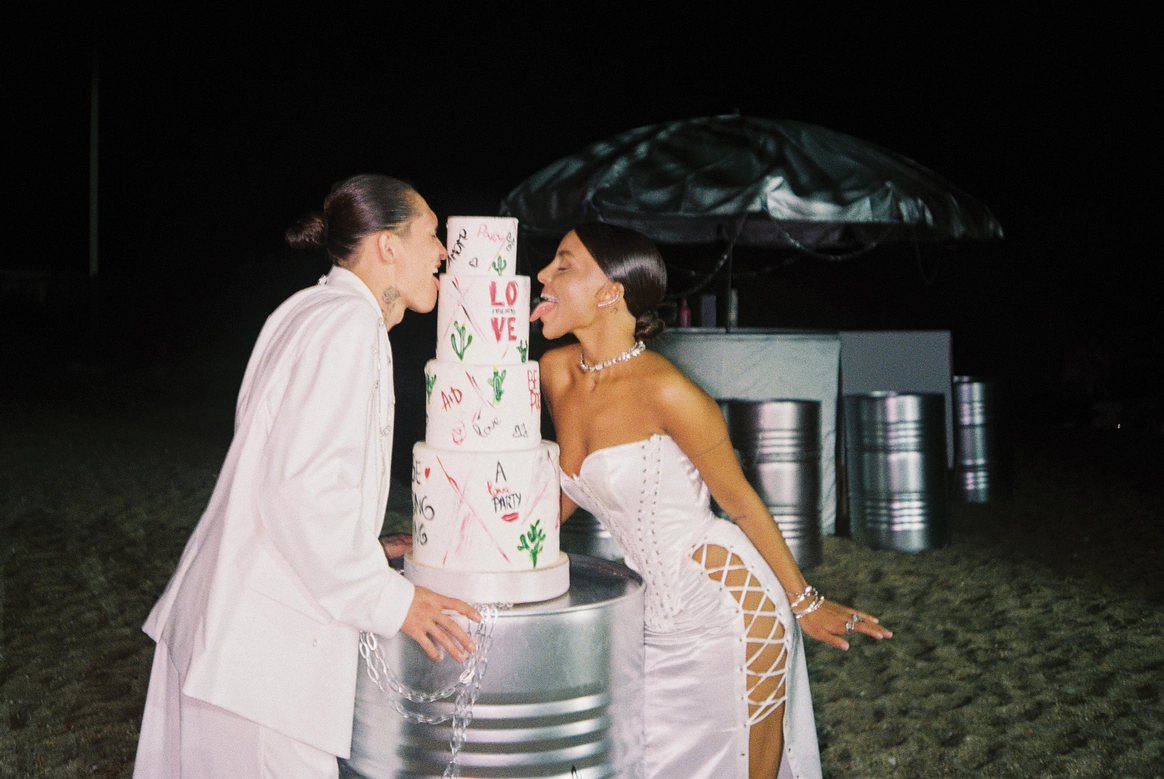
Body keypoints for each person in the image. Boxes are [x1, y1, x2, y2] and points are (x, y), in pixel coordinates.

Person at [133, 175, 481, 779]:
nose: (444, 252)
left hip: (231, 630)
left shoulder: (309, 309)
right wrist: (390, 601)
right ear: (387, 245)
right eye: (431, 233)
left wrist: (365, 546)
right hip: (261, 660)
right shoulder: (347, 326)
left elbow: (278, 468)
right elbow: (301, 490)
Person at [532, 222, 893, 779]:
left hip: (731, 612)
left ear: (611, 292)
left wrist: (805, 602)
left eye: (564, 264)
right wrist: (481, 550)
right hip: (643, 617)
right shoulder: (555, 372)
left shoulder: (668, 391)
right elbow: (570, 490)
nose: (542, 274)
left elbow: (741, 502)